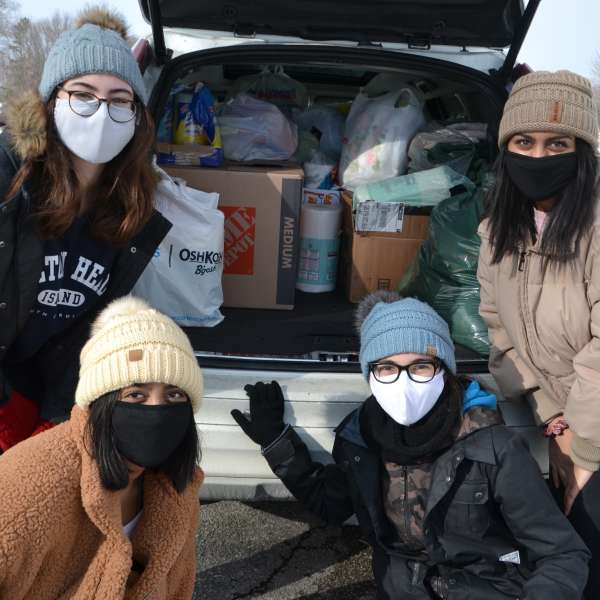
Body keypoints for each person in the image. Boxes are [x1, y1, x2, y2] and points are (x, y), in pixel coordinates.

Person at [232, 292, 589, 600]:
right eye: (387, 368)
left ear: (443, 369)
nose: (403, 383)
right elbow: (331, 505)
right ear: (369, 373)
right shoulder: (360, 440)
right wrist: (276, 442)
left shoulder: (492, 447)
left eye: (420, 367)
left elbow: (562, 554)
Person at [0, 7, 171, 450]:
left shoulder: (134, 204)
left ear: (137, 114)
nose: (100, 111)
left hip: (53, 390)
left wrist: (58, 413)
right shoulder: (10, 180)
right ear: (51, 101)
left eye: (119, 99)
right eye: (82, 94)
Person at [477, 70, 600, 597]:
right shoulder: (499, 231)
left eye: (558, 143)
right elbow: (498, 326)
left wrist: (584, 453)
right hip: (564, 420)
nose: (539, 155)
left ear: (583, 151)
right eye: (524, 141)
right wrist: (550, 412)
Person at [0, 296, 203, 599]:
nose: (158, 409)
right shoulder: (30, 484)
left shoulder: (177, 490)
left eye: (174, 395)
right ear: (101, 403)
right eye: (136, 394)